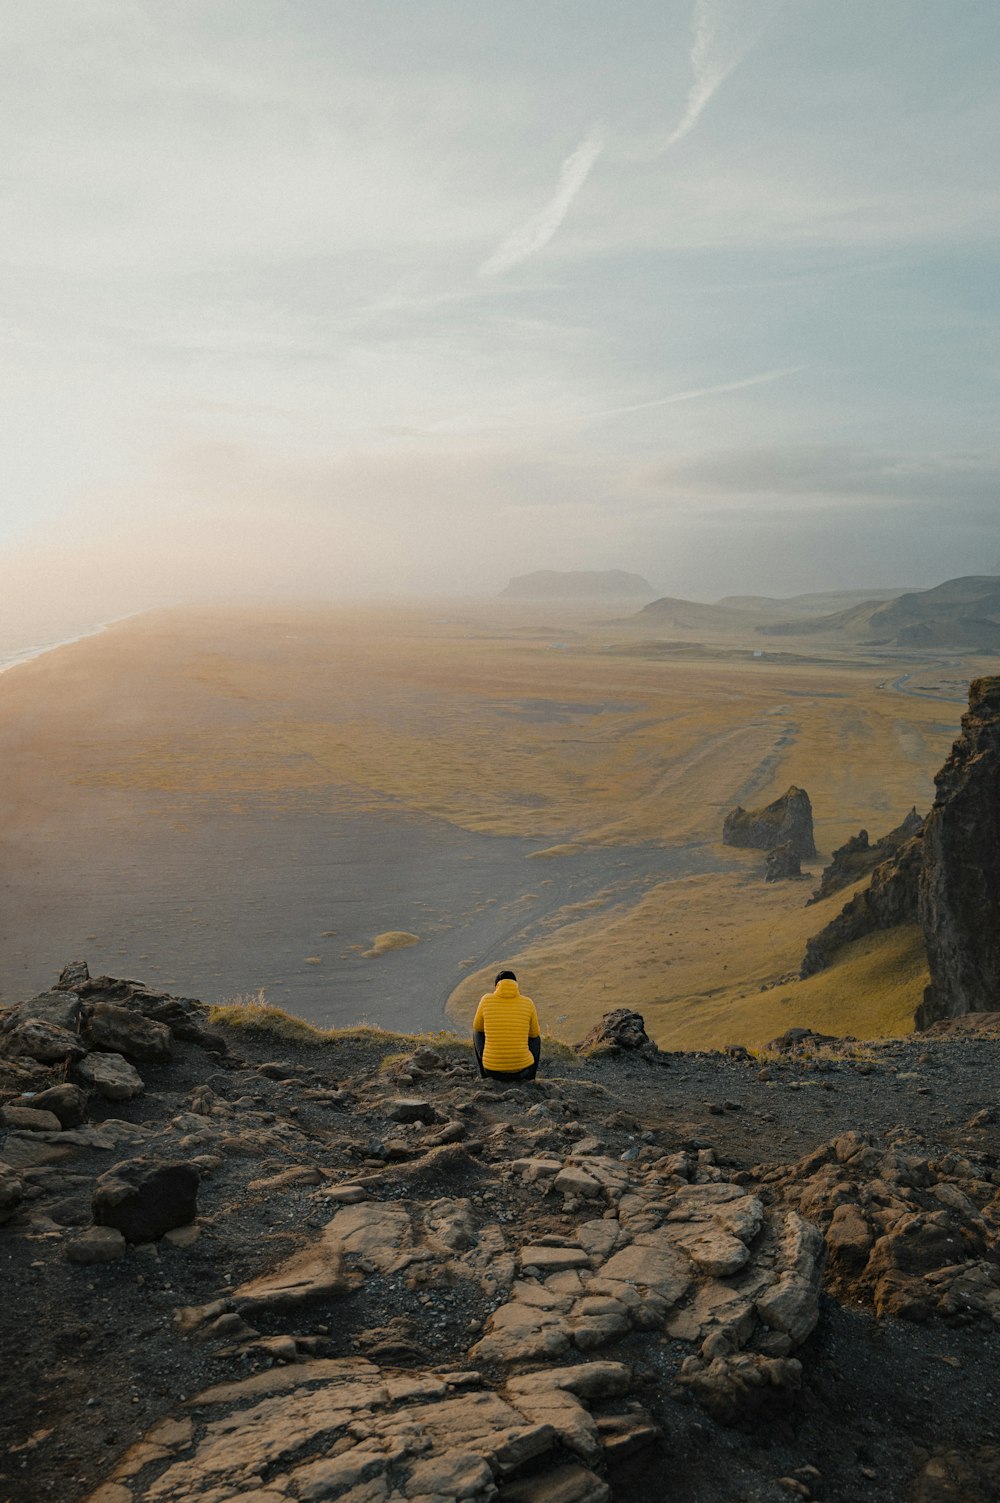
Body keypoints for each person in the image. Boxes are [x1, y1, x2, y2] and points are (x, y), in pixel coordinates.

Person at [472, 969, 541, 1082]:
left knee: (476, 1032)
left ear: (497, 986)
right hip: (522, 1072)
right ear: (516, 985)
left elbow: (478, 1027)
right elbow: (534, 1034)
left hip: (492, 1071)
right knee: (536, 1038)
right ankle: (530, 1078)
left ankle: (485, 1076)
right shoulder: (528, 1002)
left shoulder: (486, 1000)